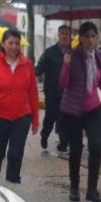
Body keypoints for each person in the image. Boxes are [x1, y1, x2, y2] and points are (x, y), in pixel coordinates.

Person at [59, 22, 101, 202]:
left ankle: (92, 190)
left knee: (96, 146)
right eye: (87, 36)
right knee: (76, 149)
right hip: (73, 110)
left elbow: (100, 80)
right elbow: (63, 83)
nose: (91, 40)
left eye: (93, 36)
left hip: (93, 108)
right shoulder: (72, 56)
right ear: (81, 38)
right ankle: (74, 187)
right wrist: (66, 65)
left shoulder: (99, 56)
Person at [0, 29, 39, 184]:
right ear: (3, 44)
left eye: (17, 43)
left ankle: (12, 183)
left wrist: (35, 120)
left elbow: (33, 93)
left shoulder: (27, 65)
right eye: (10, 43)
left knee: (15, 153)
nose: (14, 47)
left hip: (22, 116)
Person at [36, 24, 72, 156]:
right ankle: (45, 134)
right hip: (52, 91)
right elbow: (39, 68)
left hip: (68, 92)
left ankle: (63, 145)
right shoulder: (50, 52)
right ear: (58, 35)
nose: (64, 36)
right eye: (62, 33)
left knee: (64, 118)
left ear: (70, 36)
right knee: (50, 116)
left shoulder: (74, 52)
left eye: (67, 34)